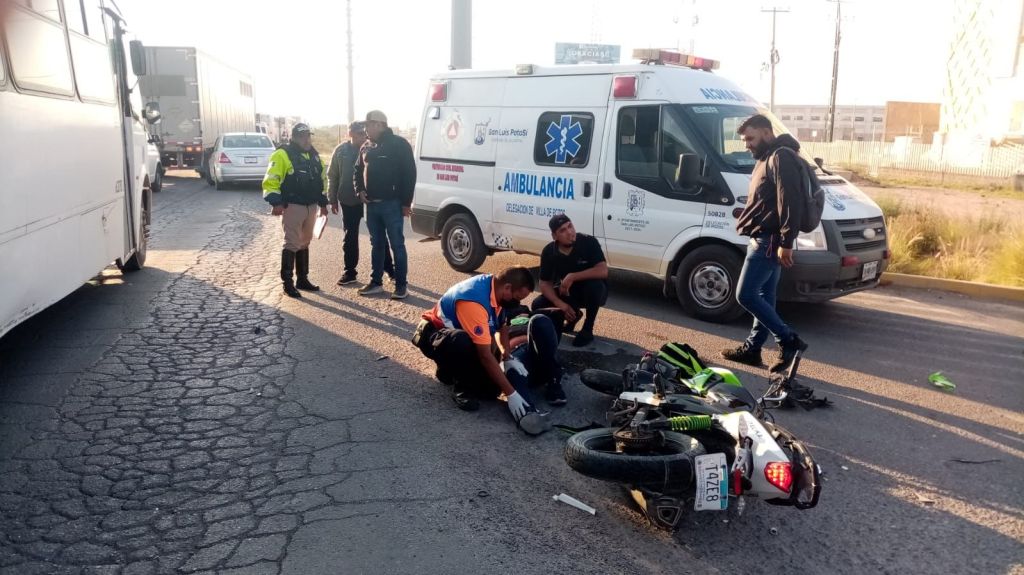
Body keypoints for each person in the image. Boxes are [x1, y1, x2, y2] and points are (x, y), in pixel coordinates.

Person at [412, 266, 555, 434]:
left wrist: (507, 356)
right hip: (434, 336)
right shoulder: (475, 301)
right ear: (507, 287)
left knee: (490, 391)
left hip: (456, 335)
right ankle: (461, 387)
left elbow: (502, 326)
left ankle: (448, 371)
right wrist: (511, 394)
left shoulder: (497, 290)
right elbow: (485, 356)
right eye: (517, 298)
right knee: (462, 341)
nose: (517, 303)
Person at [721, 114, 808, 373]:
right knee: (765, 297)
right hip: (762, 237)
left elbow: (789, 200)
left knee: (745, 294)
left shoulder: (781, 157)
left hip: (769, 240)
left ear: (767, 133)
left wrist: (787, 241)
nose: (747, 144)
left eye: (751, 138)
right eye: (744, 140)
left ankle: (788, 340)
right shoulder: (767, 157)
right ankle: (753, 349)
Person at [354, 110, 415, 299]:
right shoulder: (366, 146)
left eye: (368, 125)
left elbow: (410, 174)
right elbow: (357, 170)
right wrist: (359, 190)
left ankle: (401, 285)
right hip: (371, 205)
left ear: (380, 125)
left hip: (392, 204)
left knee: (397, 245)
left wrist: (406, 203)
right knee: (377, 244)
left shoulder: (399, 144)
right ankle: (376, 283)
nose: (365, 129)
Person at [263, 123, 328, 298]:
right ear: (293, 138)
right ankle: (288, 283)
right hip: (292, 206)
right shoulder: (282, 154)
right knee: (291, 243)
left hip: (311, 206)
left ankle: (302, 279)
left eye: (308, 136)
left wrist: (323, 203)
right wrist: (275, 202)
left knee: (305, 242)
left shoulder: (314, 155)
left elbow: (322, 180)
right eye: (302, 136)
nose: (306, 139)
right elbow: (271, 180)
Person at [327, 122, 393, 285]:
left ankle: (389, 270)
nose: (363, 137)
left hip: (371, 201)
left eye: (364, 133)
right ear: (350, 134)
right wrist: (332, 199)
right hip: (348, 200)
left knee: (378, 237)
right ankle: (350, 272)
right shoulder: (340, 151)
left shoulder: (373, 147)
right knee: (350, 236)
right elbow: (332, 176)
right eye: (359, 134)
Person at [530, 214, 609, 347]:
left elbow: (603, 271)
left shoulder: (588, 242)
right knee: (538, 304)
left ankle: (587, 329)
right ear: (554, 236)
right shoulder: (549, 251)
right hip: (567, 292)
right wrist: (560, 303)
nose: (569, 232)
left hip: (593, 292)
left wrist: (572, 276)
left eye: (570, 226)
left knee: (594, 286)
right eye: (563, 230)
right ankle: (569, 317)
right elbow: (544, 283)